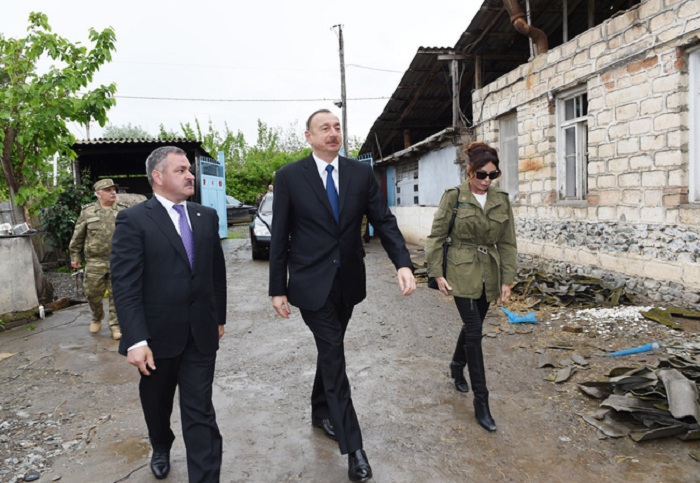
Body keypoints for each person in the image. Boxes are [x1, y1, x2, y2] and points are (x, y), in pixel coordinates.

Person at [269, 109, 416, 482]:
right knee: (334, 356)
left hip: (348, 282)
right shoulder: (289, 177)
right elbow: (280, 235)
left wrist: (402, 262)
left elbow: (383, 219)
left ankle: (320, 410)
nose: (333, 133)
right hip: (309, 284)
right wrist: (277, 288)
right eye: (325, 128)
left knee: (329, 350)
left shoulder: (359, 173)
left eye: (337, 128)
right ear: (308, 136)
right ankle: (354, 449)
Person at [110, 146, 227, 482]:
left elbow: (215, 275)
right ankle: (160, 444)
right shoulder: (134, 220)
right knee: (157, 404)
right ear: (157, 178)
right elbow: (126, 284)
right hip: (156, 337)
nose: (190, 175)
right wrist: (136, 338)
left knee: (200, 411)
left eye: (189, 169)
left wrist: (219, 317)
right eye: (180, 170)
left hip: (200, 333)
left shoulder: (206, 217)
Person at [424, 141, 517, 432]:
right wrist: (437, 273)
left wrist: (507, 279)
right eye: (481, 174)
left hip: (489, 271)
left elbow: (507, 242)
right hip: (460, 271)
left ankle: (455, 365)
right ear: (469, 171)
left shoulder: (501, 198)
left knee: (471, 325)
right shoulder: (454, 197)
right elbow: (436, 237)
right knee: (475, 331)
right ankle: (482, 402)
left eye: (493, 174)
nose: (487, 180)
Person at [68, 178, 127, 340]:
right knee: (92, 293)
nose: (112, 192)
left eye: (114, 189)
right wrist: (75, 255)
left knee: (117, 295)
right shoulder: (88, 212)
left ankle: (115, 325)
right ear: (98, 193)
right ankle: (97, 316)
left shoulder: (123, 211)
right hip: (95, 261)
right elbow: (78, 236)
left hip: (118, 261)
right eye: (108, 190)